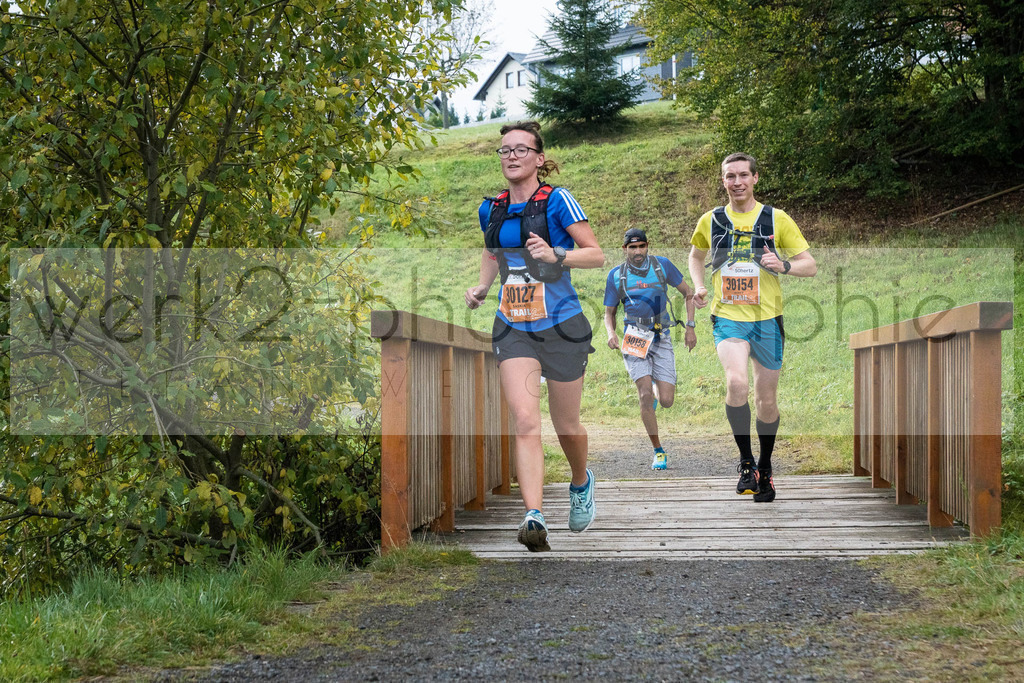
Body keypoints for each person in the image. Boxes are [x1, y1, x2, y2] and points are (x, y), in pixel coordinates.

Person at [464, 121, 605, 552]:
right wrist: (484, 286)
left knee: (566, 425)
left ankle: (580, 481)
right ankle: (534, 515)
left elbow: (596, 255)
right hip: (513, 325)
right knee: (525, 420)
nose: (511, 156)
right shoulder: (493, 209)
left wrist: (557, 253)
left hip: (561, 324)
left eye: (521, 150)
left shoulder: (557, 200)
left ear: (538, 159)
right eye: (504, 150)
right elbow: (493, 251)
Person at [688, 152, 817, 503]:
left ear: (755, 178)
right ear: (723, 180)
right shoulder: (711, 220)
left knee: (767, 400)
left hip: (768, 320)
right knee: (736, 382)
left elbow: (811, 265)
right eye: (730, 176)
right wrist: (699, 286)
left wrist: (785, 265)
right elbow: (696, 256)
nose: (737, 182)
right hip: (728, 317)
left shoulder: (776, 219)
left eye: (743, 175)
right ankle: (746, 462)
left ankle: (766, 467)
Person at [603, 228, 700, 470]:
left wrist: (690, 327)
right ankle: (658, 451)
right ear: (624, 249)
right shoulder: (616, 276)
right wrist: (611, 333)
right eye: (632, 247)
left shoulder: (662, 266)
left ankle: (657, 391)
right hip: (634, 338)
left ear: (648, 246)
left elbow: (688, 294)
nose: (637, 251)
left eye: (641, 246)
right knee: (644, 395)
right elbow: (609, 312)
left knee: (666, 400)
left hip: (661, 336)